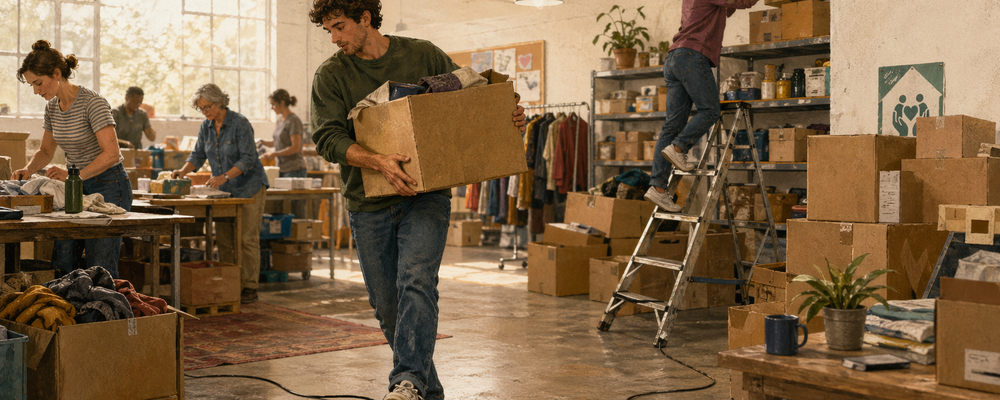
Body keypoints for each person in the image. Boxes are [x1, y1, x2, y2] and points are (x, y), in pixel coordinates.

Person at [308, 1, 526, 399]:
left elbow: (470, 101)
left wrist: (507, 115)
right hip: (367, 203)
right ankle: (428, 392)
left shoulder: (422, 54)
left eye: (340, 27)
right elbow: (327, 137)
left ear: (365, 19)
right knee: (388, 308)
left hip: (425, 196)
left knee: (417, 281)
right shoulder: (331, 75)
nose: (336, 38)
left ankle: (405, 382)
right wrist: (377, 161)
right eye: (330, 32)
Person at [14, 39, 132, 277]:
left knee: (100, 266)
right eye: (32, 86)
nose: (36, 91)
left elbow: (112, 154)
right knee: (63, 261)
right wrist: (27, 170)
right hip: (74, 188)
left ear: (57, 74)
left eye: (38, 83)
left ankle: (103, 313)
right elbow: (46, 151)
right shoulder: (52, 107)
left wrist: (72, 174)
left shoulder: (93, 103)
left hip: (109, 185)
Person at [645, 0, 759, 212]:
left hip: (674, 58)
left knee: (671, 126)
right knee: (711, 110)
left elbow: (728, 8)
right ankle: (679, 147)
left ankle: (658, 188)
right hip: (692, 56)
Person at [170, 83, 270, 304]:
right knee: (224, 240)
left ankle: (250, 286)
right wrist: (182, 171)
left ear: (220, 102)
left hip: (250, 188)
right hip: (224, 193)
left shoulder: (240, 123)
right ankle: (231, 282)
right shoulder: (206, 127)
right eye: (201, 109)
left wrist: (225, 176)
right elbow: (197, 155)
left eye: (208, 107)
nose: (205, 112)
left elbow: (248, 159)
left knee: (246, 239)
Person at [257, 89, 307, 217]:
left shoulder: (293, 121)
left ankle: (300, 235)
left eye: (273, 104)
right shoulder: (281, 120)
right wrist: (262, 142)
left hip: (295, 169)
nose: (272, 108)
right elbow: (277, 141)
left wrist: (274, 155)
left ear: (282, 103)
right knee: (283, 207)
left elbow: (295, 147)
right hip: (283, 169)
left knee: (297, 207)